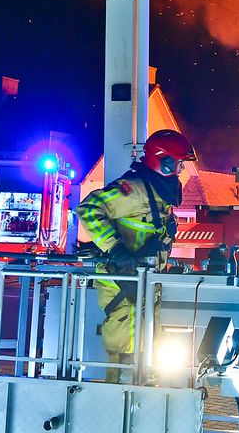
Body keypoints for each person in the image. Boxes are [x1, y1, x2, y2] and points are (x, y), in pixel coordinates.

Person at [76, 129, 196, 382]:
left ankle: (143, 402)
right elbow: (88, 209)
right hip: (121, 287)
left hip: (145, 287)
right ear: (163, 161)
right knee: (123, 355)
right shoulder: (134, 190)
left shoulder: (157, 193)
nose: (181, 169)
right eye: (179, 163)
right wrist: (115, 248)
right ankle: (117, 405)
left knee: (150, 355)